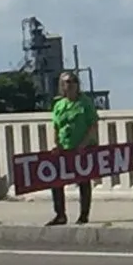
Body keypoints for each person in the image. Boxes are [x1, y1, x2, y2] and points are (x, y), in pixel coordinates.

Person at [47, 71, 96, 225]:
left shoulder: (85, 102)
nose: (71, 84)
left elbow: (93, 124)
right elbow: (56, 126)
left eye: (74, 81)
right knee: (56, 182)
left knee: (83, 182)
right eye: (67, 82)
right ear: (62, 85)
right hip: (64, 147)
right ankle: (60, 214)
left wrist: (83, 144)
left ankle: (83, 215)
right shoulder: (59, 105)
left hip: (82, 147)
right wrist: (56, 143)